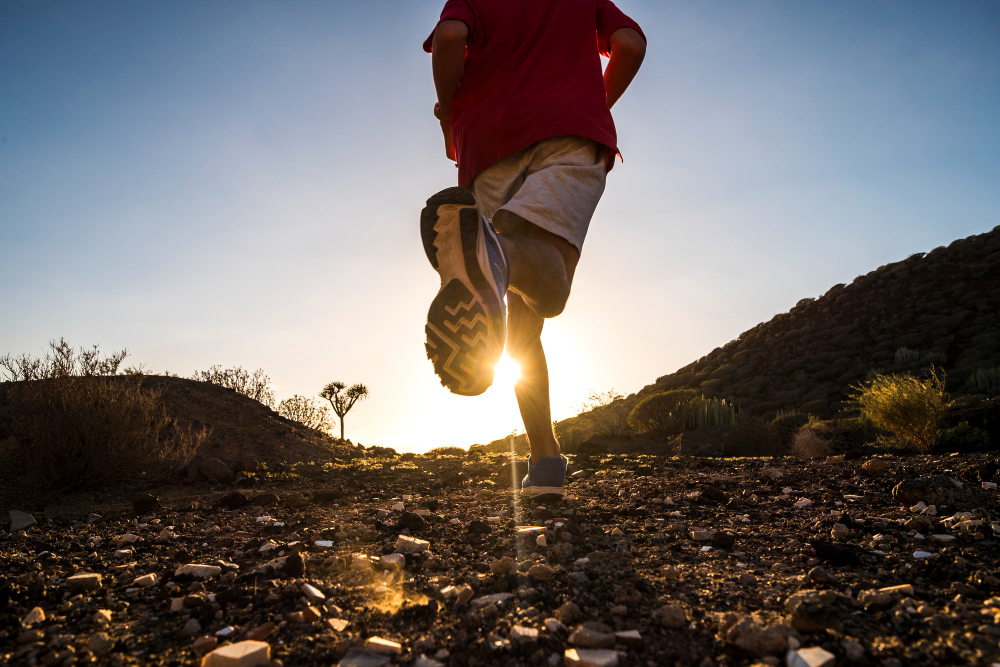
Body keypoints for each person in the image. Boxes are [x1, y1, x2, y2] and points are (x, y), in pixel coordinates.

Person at [421, 0, 646, 499]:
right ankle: (494, 253)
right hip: (567, 132)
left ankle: (545, 457)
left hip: (486, 146)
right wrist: (593, 104)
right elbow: (629, 44)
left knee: (519, 306)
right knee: (548, 293)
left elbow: (451, 38)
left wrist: (448, 114)